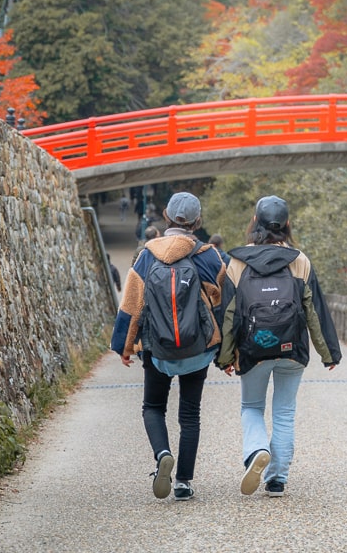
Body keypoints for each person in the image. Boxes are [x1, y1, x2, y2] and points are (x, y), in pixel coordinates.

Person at [217, 195, 342, 498]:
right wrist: (330, 353)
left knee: (252, 407)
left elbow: (229, 314)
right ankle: (277, 479)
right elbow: (314, 311)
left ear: (255, 223)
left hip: (252, 350)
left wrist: (224, 357)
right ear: (286, 224)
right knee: (284, 412)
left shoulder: (237, 262)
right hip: (292, 349)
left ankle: (258, 450)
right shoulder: (300, 262)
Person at [111, 192, 229, 502]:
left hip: (157, 350)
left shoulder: (146, 256)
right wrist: (225, 351)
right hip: (197, 349)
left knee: (153, 407)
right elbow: (221, 305)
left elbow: (132, 304)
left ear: (165, 216)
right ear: (197, 222)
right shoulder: (209, 256)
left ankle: (162, 453)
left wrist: (125, 346)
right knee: (190, 415)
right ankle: (183, 482)